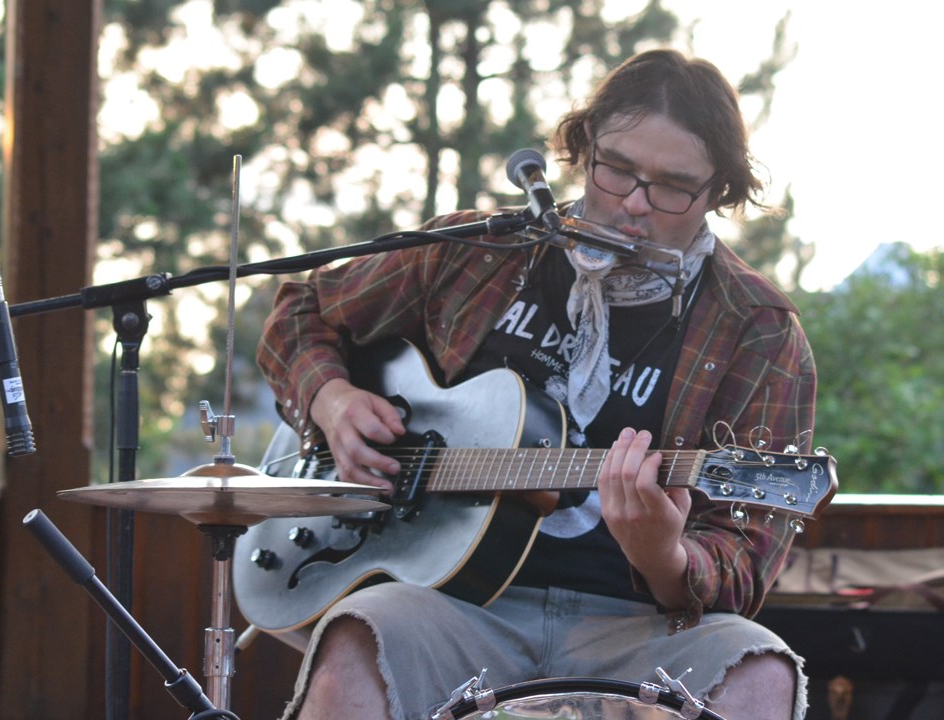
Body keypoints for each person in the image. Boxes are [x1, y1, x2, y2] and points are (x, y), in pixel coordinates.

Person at [257, 48, 817, 720]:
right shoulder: (475, 249)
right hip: (451, 605)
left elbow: (743, 565)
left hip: (639, 627)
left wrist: (664, 555)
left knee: (760, 669)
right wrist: (332, 398)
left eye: (672, 186)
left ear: (718, 192)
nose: (635, 205)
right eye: (617, 170)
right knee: (357, 636)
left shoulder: (757, 327)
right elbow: (301, 312)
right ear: (584, 150)